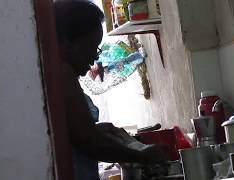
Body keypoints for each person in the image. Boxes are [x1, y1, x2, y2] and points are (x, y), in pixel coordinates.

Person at [54, 1, 166, 180]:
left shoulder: (59, 73)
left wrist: (96, 130)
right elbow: (88, 142)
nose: (95, 56)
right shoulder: (62, 74)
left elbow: (75, 134)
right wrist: (142, 156)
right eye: (91, 46)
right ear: (68, 43)